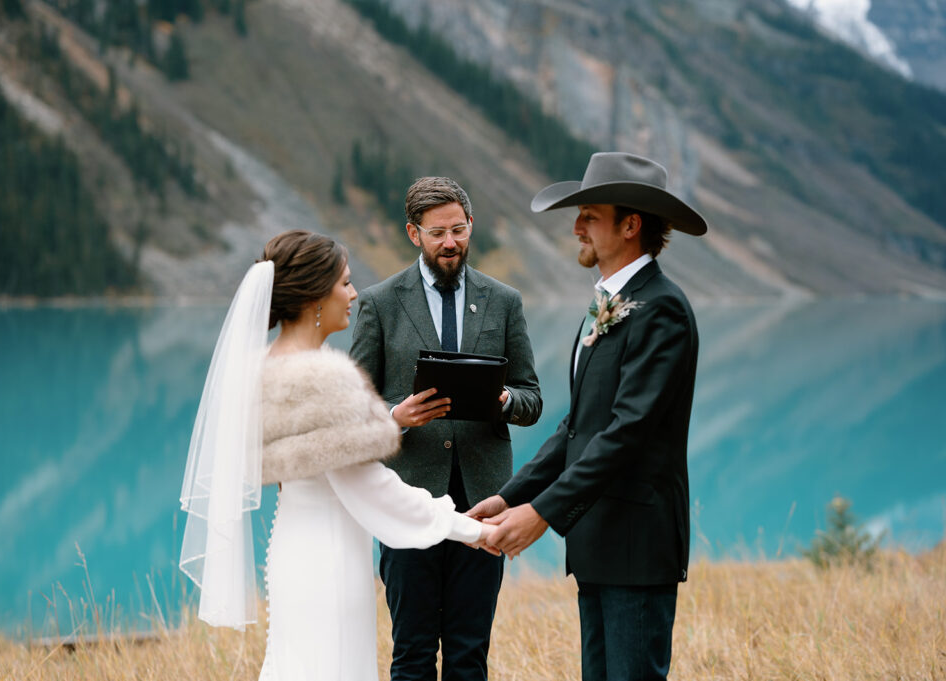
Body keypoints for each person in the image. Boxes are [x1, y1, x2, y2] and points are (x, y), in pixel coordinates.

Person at [178, 230, 495, 681]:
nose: (353, 294)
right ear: (313, 297)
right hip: (328, 563)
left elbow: (316, 463)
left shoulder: (259, 367)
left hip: (291, 547)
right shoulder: (324, 378)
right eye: (344, 283)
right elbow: (368, 486)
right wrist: (469, 529)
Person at [470, 152, 708, 680]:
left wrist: (543, 513)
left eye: (591, 215)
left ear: (630, 225)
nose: (576, 227)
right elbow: (577, 426)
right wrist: (512, 496)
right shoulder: (610, 302)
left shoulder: (662, 309)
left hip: (636, 544)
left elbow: (626, 433)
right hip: (599, 542)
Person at [351, 177, 541, 681]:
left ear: (471, 225)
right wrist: (397, 417)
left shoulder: (504, 301)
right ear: (414, 234)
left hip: (483, 504)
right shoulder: (379, 303)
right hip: (405, 501)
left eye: (458, 230)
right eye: (437, 233)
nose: (450, 242)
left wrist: (503, 400)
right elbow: (354, 410)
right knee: (411, 654)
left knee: (468, 653)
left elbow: (532, 399)